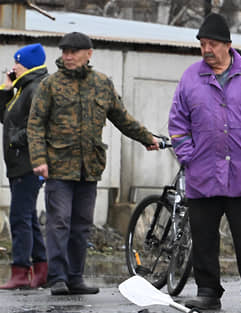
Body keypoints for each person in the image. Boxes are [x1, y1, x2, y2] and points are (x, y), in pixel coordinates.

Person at [28, 32, 159, 296]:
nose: (68, 56)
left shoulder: (102, 84)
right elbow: (35, 125)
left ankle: (75, 277)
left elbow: (122, 118)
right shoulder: (50, 85)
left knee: (81, 225)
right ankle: (57, 278)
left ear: (88, 53)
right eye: (64, 52)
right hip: (58, 167)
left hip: (90, 168)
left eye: (73, 52)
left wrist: (147, 138)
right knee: (59, 222)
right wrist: (39, 160)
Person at [168, 13, 241, 312]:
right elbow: (178, 122)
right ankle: (208, 291)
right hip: (203, 172)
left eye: (212, 44)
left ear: (228, 45)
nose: (206, 50)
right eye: (202, 44)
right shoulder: (191, 77)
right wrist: (188, 155)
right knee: (203, 238)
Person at [0, 43, 48, 289]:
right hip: (19, 162)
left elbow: (36, 126)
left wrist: (14, 141)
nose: (13, 66)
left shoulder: (36, 88)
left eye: (17, 62)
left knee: (20, 217)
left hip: (29, 162)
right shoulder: (22, 89)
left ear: (28, 64)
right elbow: (4, 117)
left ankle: (20, 272)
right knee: (27, 216)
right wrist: (6, 89)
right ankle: (41, 268)